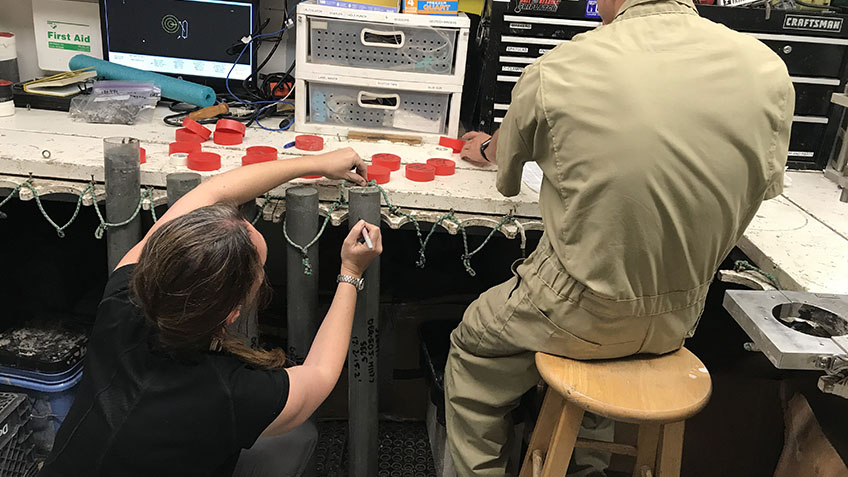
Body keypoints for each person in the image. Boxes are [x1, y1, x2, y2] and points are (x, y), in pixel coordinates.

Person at [446, 0, 794, 473]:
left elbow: (506, 174)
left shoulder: (560, 67)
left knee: (472, 351)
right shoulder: (767, 70)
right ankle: (587, 465)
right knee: (599, 362)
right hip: (681, 314)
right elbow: (764, 188)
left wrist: (487, 145)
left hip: (576, 308)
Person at [39, 148, 383, 477]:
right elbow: (320, 373)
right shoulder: (234, 394)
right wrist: (351, 272)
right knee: (296, 438)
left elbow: (212, 192)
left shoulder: (123, 298)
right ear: (232, 314)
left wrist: (315, 163)